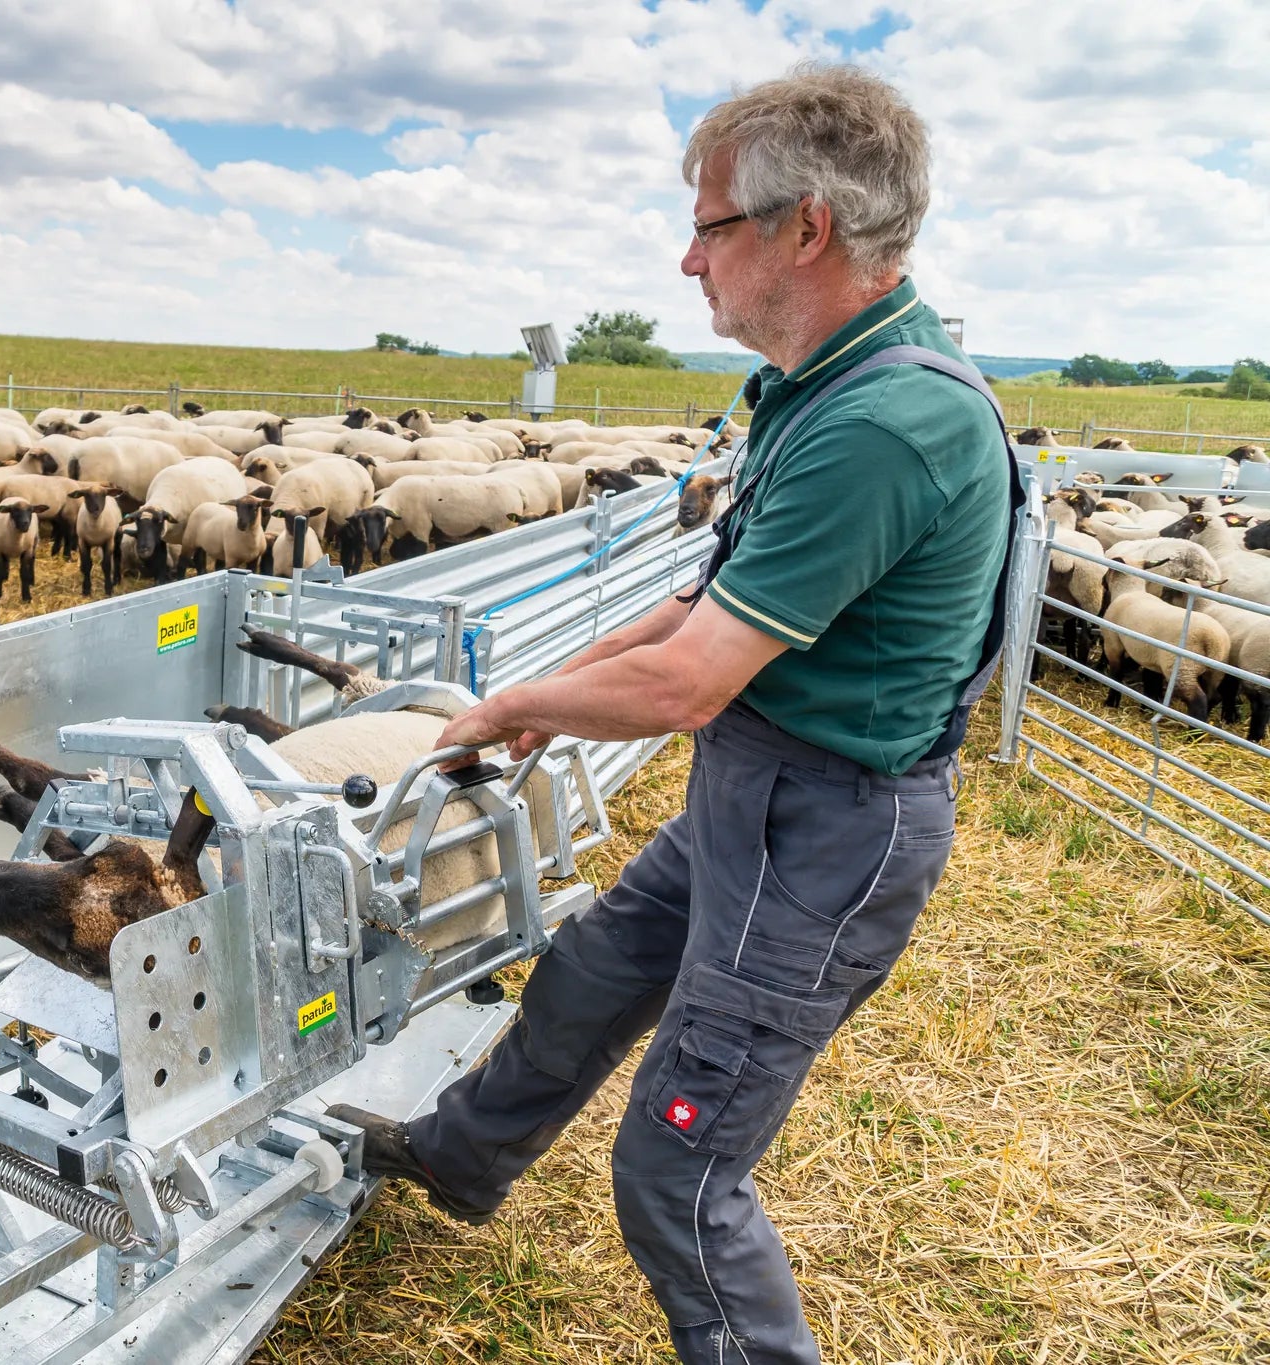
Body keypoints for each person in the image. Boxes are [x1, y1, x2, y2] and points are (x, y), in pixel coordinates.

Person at [328, 64, 1021, 1364]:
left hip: (825, 827)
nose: (686, 258)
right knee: (588, 974)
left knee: (679, 1172)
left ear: (802, 226)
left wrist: (520, 698)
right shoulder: (820, 390)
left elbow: (693, 677)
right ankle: (456, 1157)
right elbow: (708, 608)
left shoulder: (892, 421)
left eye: (709, 224)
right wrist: (548, 698)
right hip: (755, 792)